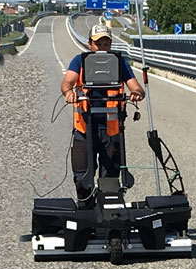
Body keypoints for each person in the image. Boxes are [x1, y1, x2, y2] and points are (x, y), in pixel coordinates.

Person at [60, 24, 145, 202]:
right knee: (82, 178)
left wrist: (137, 93)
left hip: (111, 131)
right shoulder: (79, 61)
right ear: (90, 44)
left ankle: (108, 217)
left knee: (110, 181)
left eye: (106, 44)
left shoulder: (119, 62)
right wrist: (69, 93)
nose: (102, 48)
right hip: (84, 129)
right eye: (98, 44)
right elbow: (67, 83)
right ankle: (86, 212)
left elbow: (135, 86)